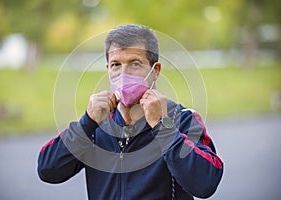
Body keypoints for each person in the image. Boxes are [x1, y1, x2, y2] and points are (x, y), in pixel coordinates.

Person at [37, 24, 223, 200]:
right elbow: (48, 170)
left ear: (155, 70)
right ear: (108, 69)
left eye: (135, 64)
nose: (123, 74)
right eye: (116, 65)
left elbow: (206, 183)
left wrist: (162, 126)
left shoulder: (181, 119)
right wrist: (87, 122)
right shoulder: (96, 125)